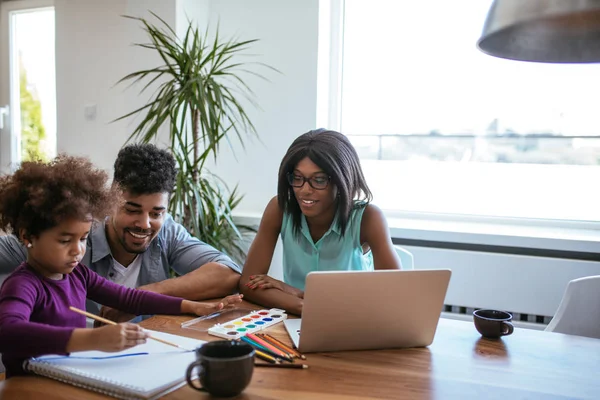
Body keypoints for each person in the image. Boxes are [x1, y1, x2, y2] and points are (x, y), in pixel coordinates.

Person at [0, 155, 242, 378]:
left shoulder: (78, 274)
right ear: (27, 236)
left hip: (67, 377)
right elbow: (8, 333)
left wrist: (193, 307)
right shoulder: (23, 284)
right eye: (65, 241)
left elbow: (130, 299)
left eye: (83, 238)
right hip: (30, 386)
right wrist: (93, 339)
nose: (77, 250)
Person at [239, 129, 401, 315]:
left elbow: (392, 294)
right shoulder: (280, 208)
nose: (305, 190)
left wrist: (294, 292)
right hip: (297, 320)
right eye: (297, 178)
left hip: (355, 318)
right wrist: (303, 306)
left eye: (319, 180)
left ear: (342, 180)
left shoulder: (368, 218)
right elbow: (247, 283)